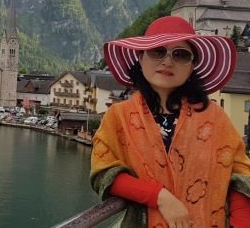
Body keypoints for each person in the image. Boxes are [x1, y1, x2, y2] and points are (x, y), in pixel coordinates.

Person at [91, 16, 250, 227]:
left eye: (181, 54)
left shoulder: (215, 118)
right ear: (140, 57)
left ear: (192, 66)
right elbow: (103, 173)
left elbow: (240, 177)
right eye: (157, 51)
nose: (167, 61)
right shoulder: (118, 116)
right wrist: (159, 196)